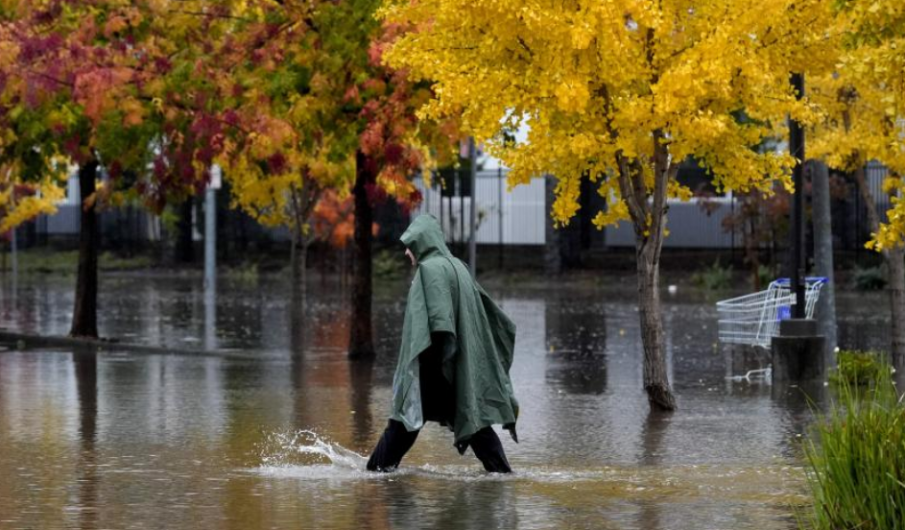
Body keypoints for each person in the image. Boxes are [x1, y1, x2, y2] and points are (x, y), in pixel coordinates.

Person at [366, 214, 519, 473]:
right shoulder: (458, 266)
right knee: (473, 421)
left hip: (435, 362)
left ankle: (374, 475)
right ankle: (503, 475)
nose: (406, 252)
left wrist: (427, 368)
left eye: (410, 244)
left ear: (422, 243)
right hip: (457, 362)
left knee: (404, 420)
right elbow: (483, 312)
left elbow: (439, 321)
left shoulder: (429, 270)